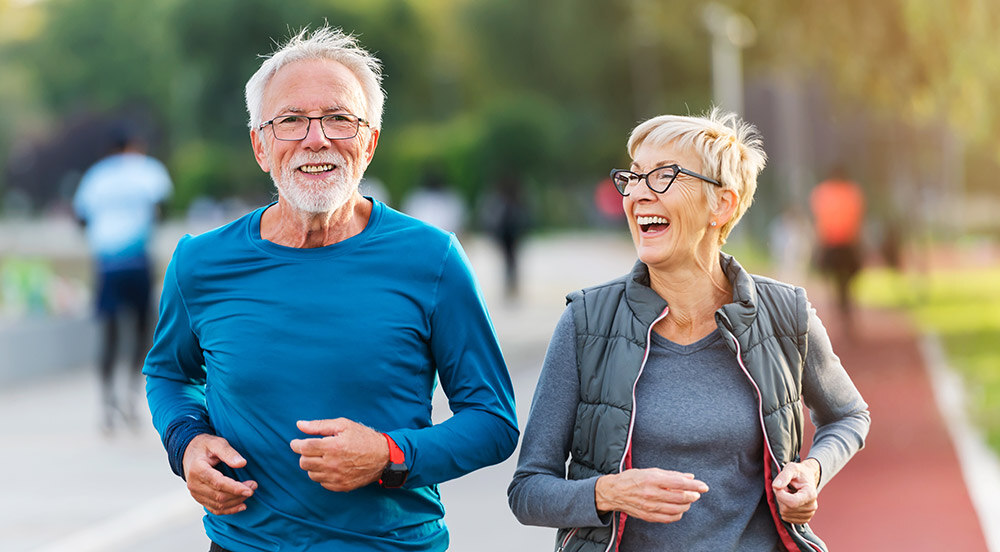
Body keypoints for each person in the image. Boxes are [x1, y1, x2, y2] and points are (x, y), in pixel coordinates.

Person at [143, 27, 518, 552]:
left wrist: (390, 454)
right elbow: (168, 372)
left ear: (370, 142)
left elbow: (494, 421)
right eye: (290, 120)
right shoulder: (200, 262)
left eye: (339, 118)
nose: (315, 138)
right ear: (260, 145)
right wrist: (185, 440)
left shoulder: (433, 259)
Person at [508, 109, 870, 552]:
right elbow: (527, 491)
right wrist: (607, 493)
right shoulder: (586, 322)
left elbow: (849, 415)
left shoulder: (785, 314)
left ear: (723, 204)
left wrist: (811, 472)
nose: (638, 194)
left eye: (662, 176)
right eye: (634, 177)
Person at [73, 130, 172, 433]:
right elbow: (162, 209)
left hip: (107, 264)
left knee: (109, 332)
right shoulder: (147, 169)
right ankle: (131, 395)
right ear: (133, 145)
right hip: (137, 260)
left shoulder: (95, 177)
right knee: (143, 330)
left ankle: (106, 401)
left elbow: (80, 218)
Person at [809, 167, 865, 337]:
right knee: (846, 284)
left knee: (834, 281)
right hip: (848, 245)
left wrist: (817, 248)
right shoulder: (854, 192)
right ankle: (845, 308)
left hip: (830, 245)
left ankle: (840, 306)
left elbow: (819, 222)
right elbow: (858, 221)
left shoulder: (821, 192)